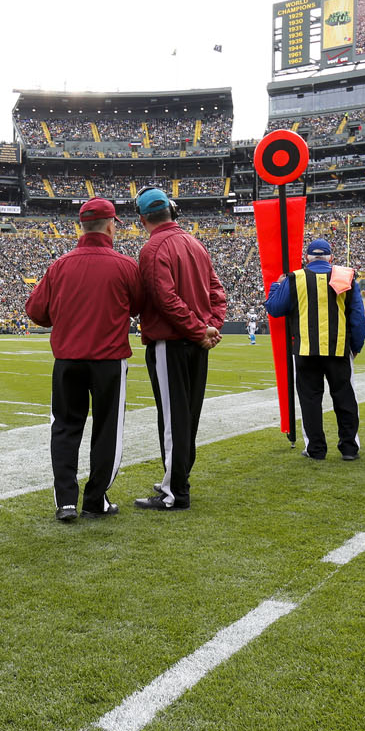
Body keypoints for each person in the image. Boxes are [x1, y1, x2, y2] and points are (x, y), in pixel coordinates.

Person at [24, 198, 141, 520]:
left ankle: (65, 501)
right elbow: (138, 306)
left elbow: (36, 311)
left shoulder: (59, 266)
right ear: (110, 225)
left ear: (82, 226)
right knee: (107, 429)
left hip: (68, 359)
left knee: (64, 427)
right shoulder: (125, 265)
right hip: (108, 360)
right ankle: (95, 499)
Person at [131, 186, 226, 510]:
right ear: (172, 211)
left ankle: (175, 492)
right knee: (189, 417)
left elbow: (165, 299)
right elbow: (217, 291)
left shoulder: (152, 248)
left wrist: (200, 330)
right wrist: (210, 328)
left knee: (174, 420)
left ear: (142, 219)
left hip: (170, 344)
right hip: (197, 344)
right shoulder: (195, 243)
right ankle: (178, 479)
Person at [265, 237, 365, 460]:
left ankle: (316, 449)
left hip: (305, 350)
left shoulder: (295, 278)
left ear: (307, 258)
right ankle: (349, 448)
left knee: (310, 400)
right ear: (331, 257)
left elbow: (274, 308)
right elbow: (357, 316)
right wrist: (356, 346)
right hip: (338, 349)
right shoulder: (345, 276)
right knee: (345, 399)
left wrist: (277, 285)